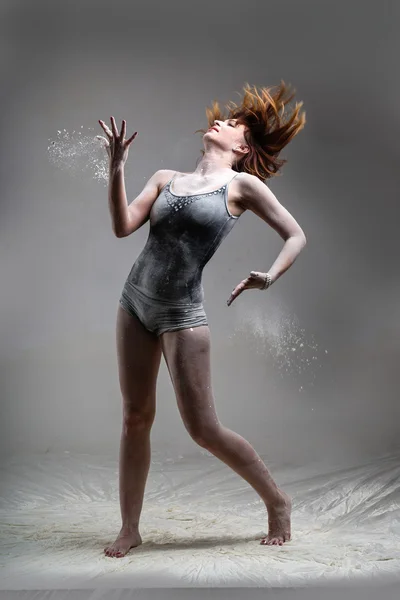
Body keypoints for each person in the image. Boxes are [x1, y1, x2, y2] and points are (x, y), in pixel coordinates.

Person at [97, 82, 307, 558]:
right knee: (134, 418)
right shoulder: (164, 177)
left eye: (234, 125)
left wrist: (270, 276)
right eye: (225, 119)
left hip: (182, 314)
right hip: (135, 303)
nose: (223, 122)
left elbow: (295, 235)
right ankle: (130, 527)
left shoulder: (241, 186)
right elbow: (121, 227)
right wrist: (117, 170)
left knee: (203, 429)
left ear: (243, 146)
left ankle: (278, 501)